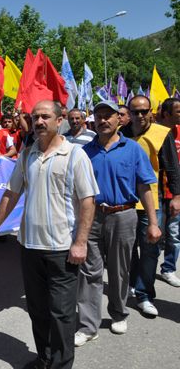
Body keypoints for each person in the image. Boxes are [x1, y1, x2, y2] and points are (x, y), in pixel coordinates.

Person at [0, 100, 98, 369]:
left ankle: (60, 365)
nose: (39, 122)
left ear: (60, 121)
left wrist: (80, 243)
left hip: (62, 249)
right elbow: (11, 193)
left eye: (45, 116)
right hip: (30, 247)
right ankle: (44, 359)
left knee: (62, 314)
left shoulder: (75, 155)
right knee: (38, 311)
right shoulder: (27, 155)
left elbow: (88, 201)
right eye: (35, 118)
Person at [75, 101, 158, 345]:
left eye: (108, 116)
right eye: (98, 116)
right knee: (89, 271)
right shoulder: (84, 151)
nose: (103, 120)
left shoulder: (132, 149)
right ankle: (88, 325)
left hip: (124, 215)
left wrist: (153, 222)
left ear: (119, 120)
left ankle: (119, 313)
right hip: (90, 217)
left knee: (119, 269)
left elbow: (145, 186)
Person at [122, 95, 180, 316]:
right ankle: (132, 284)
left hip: (151, 203)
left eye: (143, 111)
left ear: (151, 112)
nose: (139, 116)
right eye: (135, 111)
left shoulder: (161, 134)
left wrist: (177, 196)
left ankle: (145, 294)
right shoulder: (122, 133)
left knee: (150, 249)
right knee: (128, 249)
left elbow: (173, 168)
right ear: (128, 112)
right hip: (125, 202)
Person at [158, 97, 180, 287]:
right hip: (155, 193)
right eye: (178, 111)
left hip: (175, 194)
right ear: (166, 114)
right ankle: (144, 274)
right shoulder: (154, 132)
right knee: (154, 236)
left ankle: (168, 269)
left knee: (173, 234)